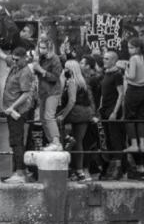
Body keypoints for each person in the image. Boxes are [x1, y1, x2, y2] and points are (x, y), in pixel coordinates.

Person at [57, 59, 96, 183]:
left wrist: (63, 115)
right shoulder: (82, 82)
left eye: (66, 68)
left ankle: (68, 139)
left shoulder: (72, 82)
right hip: (85, 113)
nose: (64, 70)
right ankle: (79, 171)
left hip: (75, 113)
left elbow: (72, 101)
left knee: (56, 124)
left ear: (70, 69)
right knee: (79, 142)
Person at [2, 47, 35, 184]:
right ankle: (19, 170)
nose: (13, 61)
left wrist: (12, 107)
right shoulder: (16, 66)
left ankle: (20, 171)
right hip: (11, 110)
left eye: (16, 59)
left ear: (24, 58)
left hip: (17, 111)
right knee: (15, 140)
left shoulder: (25, 72)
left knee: (17, 140)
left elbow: (26, 93)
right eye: (13, 59)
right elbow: (2, 55)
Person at [31, 37, 63, 151]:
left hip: (53, 91)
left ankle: (56, 141)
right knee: (43, 118)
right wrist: (36, 63)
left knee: (49, 116)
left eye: (44, 48)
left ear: (49, 48)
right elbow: (35, 72)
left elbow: (54, 77)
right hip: (43, 92)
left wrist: (40, 69)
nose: (41, 49)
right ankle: (52, 142)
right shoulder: (41, 58)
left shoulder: (55, 59)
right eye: (40, 47)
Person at [98, 51, 125, 180]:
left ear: (114, 60)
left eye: (107, 59)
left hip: (113, 109)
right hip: (105, 109)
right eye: (104, 58)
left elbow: (121, 94)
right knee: (107, 139)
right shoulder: (106, 74)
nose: (104, 60)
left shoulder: (117, 75)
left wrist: (115, 112)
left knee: (116, 138)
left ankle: (119, 168)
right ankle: (111, 166)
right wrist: (100, 106)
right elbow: (104, 93)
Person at [123, 38, 144, 155]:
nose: (129, 50)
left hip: (134, 90)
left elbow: (132, 76)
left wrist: (125, 70)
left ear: (137, 48)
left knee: (129, 118)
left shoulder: (134, 58)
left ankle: (134, 145)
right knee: (141, 118)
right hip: (143, 90)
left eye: (130, 47)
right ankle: (142, 143)